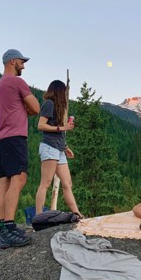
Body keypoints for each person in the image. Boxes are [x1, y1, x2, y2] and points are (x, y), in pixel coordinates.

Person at [0, 48, 41, 248]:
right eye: (22, 61)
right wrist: (27, 108)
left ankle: (1, 228)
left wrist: (22, 109)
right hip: (14, 137)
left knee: (4, 182)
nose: (24, 65)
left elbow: (15, 108)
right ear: (12, 61)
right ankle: (10, 228)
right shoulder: (16, 82)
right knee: (19, 178)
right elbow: (36, 107)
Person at [34, 79, 83, 218]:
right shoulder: (49, 104)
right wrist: (63, 127)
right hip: (49, 147)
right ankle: (39, 216)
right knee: (46, 183)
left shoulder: (59, 108)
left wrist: (66, 147)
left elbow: (59, 133)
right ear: (59, 91)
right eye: (64, 91)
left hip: (59, 149)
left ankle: (77, 214)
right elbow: (41, 125)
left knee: (67, 183)